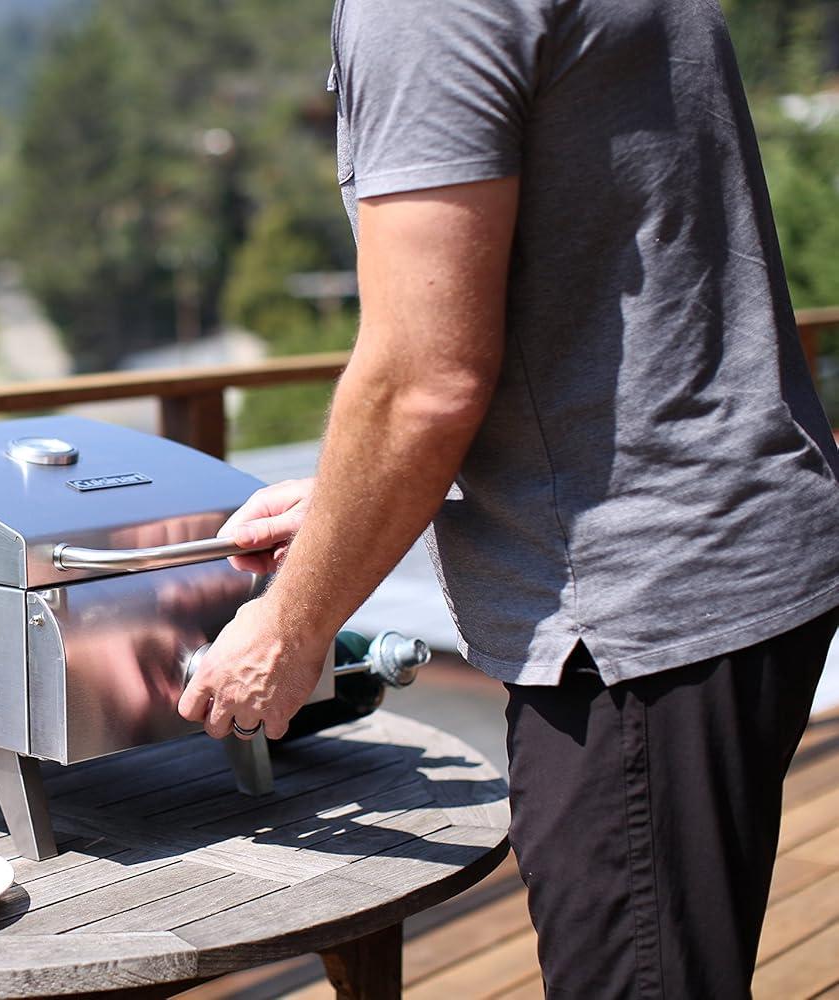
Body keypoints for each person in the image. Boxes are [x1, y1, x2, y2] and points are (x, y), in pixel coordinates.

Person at [176, 1, 839, 996]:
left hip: (632, 600)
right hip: (736, 532)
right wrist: (359, 493)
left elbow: (422, 383)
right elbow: (608, 276)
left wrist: (290, 623)